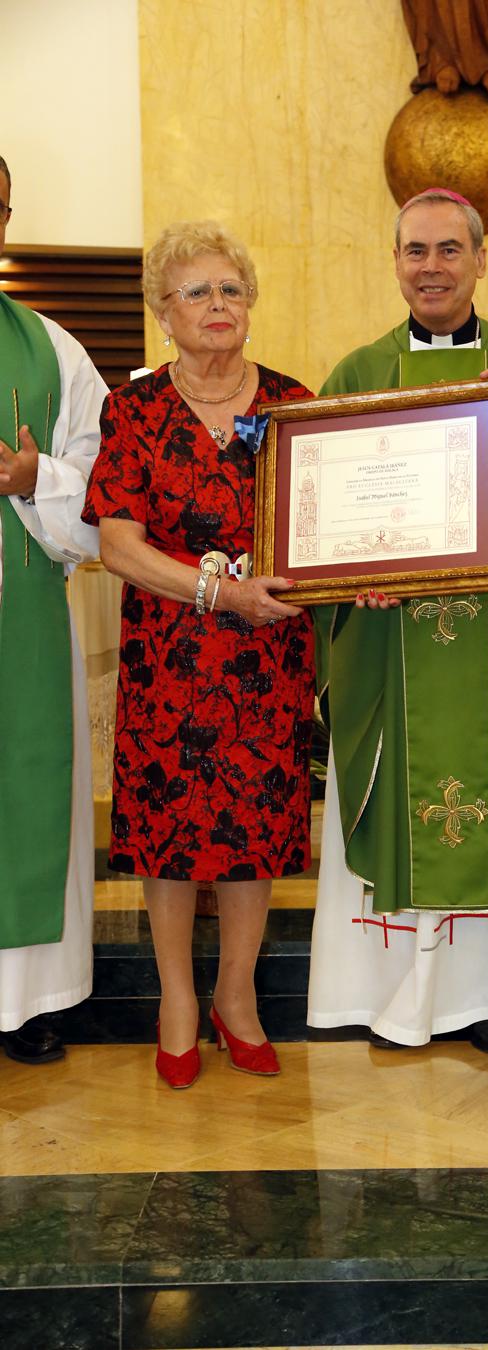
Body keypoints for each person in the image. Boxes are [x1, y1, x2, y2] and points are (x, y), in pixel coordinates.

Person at [307, 187, 488, 1053]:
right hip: (391, 645)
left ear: (480, 261)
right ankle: (395, 995)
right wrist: (352, 582)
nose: (431, 267)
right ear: (394, 262)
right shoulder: (357, 375)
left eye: (449, 251)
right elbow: (314, 527)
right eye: (415, 251)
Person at [83, 221, 316, 1088]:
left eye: (231, 290)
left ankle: (237, 997)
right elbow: (118, 544)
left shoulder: (295, 402)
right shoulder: (134, 410)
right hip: (171, 658)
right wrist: (216, 592)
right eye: (197, 293)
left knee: (255, 832)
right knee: (170, 837)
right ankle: (178, 1000)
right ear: (162, 314)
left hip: (266, 658)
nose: (218, 306)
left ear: (250, 304)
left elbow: (324, 529)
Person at [0, 154, 107, 1064]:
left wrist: (39, 478)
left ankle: (27, 1001)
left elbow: (99, 478)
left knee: (24, 794)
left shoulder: (50, 347)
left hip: (21, 618)